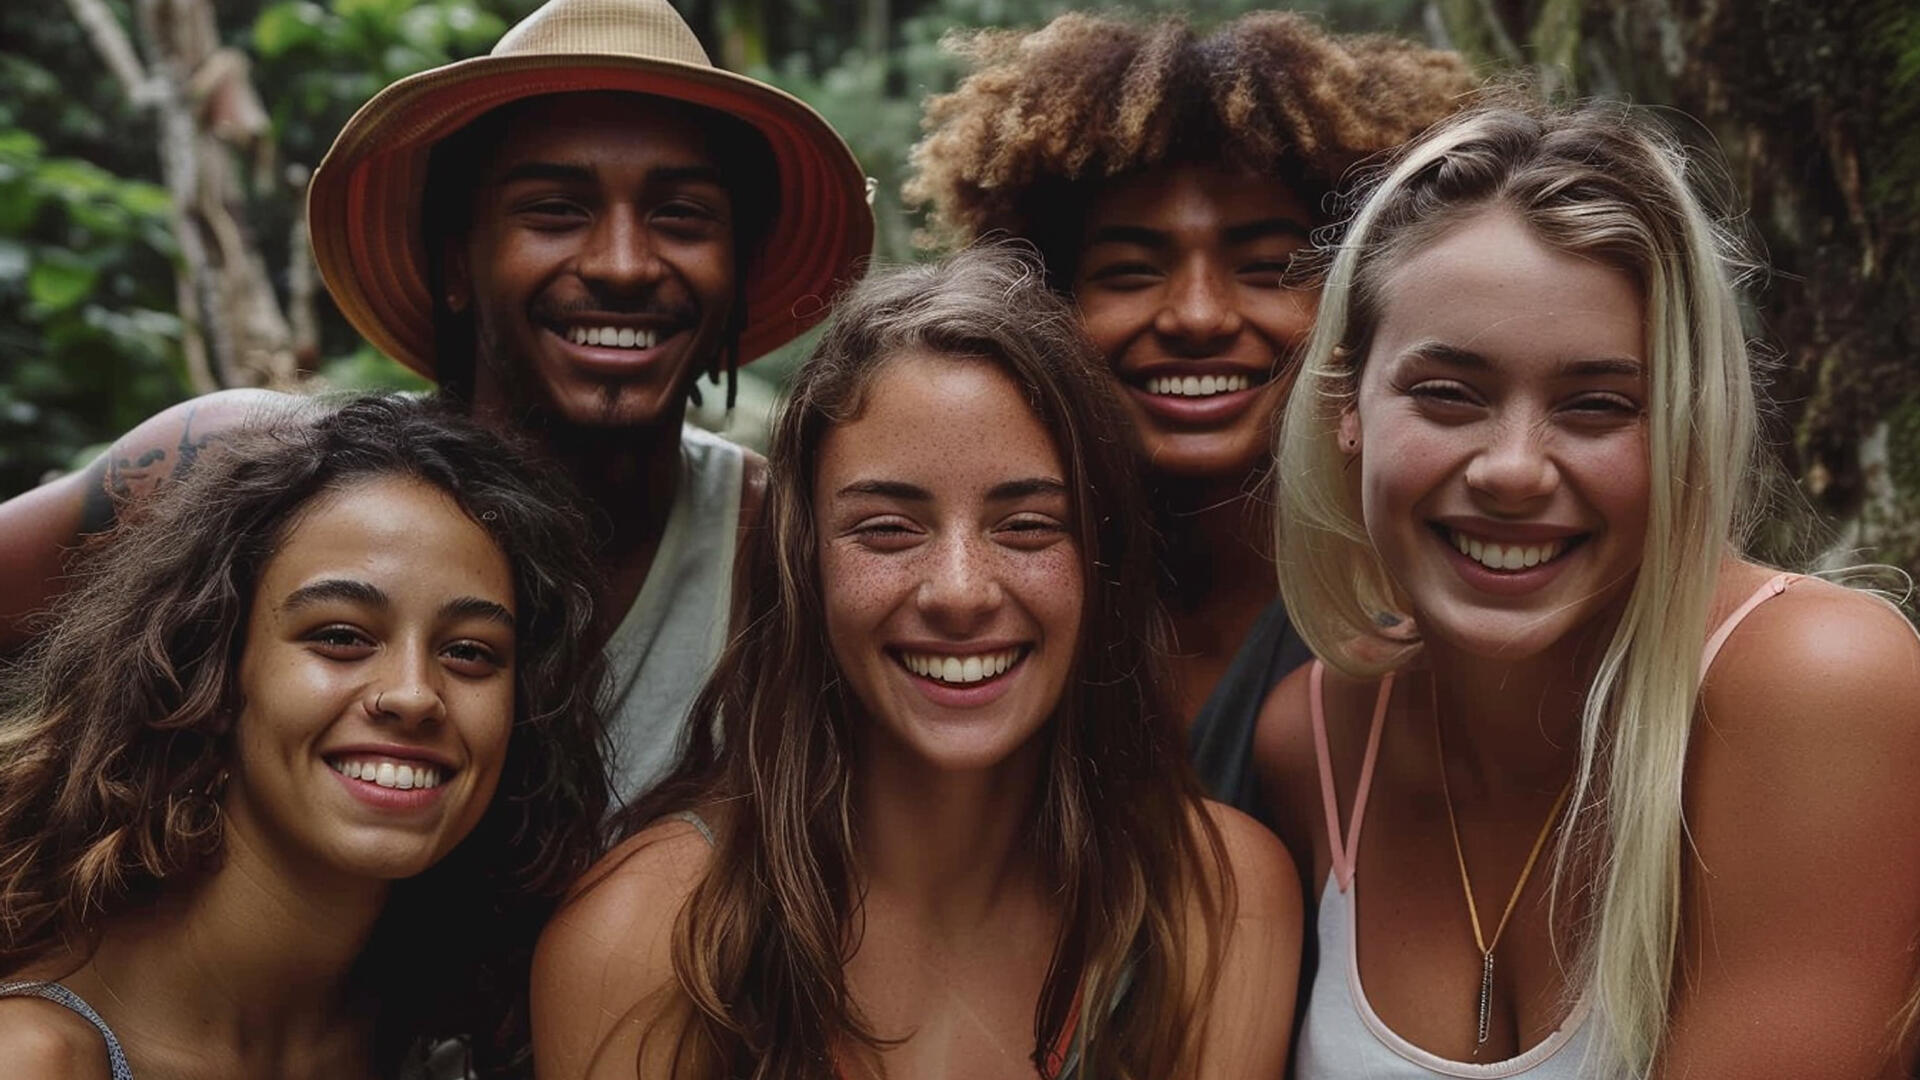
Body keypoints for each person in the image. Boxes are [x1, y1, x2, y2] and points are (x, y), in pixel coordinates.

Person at [0, 0, 874, 802]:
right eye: (555, 210)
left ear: (738, 275)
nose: (622, 264)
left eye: (682, 216)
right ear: (458, 260)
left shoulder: (779, 550)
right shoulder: (242, 471)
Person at [1253, 100, 1920, 1077]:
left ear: (1686, 426)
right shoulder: (1311, 737)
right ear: (1346, 404)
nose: (1514, 470)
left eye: (1598, 406)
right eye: (1448, 393)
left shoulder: (1816, 687)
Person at [530, 247, 1300, 1080]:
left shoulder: (1219, 901)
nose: (960, 592)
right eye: (888, 529)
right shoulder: (644, 941)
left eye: (1029, 526)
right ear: (801, 565)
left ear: (1103, 560)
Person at [904, 12, 1474, 819]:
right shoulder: (976, 609)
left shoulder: (1438, 609)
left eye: (1266, 268)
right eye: (1131, 271)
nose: (1198, 316)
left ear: (1361, 299)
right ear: (1045, 305)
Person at [0, 396, 609, 1078]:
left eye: (469, 652)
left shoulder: (458, 1025)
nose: (413, 694)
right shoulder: (35, 1057)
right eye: (341, 636)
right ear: (215, 674)